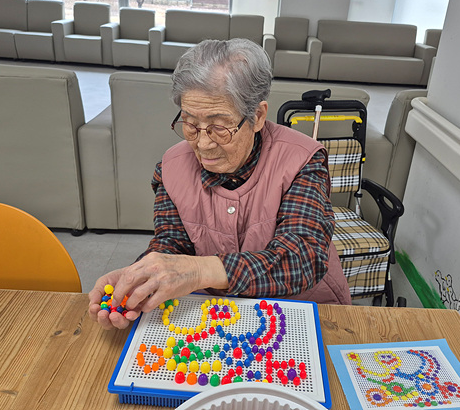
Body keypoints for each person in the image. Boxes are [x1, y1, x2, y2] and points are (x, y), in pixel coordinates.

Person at [88, 38, 350, 330]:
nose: (203, 144)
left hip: (303, 313)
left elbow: (301, 259)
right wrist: (141, 277)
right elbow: (172, 244)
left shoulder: (302, 160)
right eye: (190, 124)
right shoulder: (170, 168)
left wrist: (199, 270)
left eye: (220, 127)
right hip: (217, 316)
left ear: (257, 116)